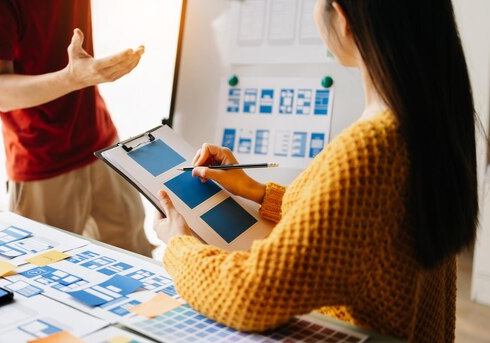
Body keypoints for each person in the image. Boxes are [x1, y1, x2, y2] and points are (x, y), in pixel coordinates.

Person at [153, 0, 478, 341]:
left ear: (342, 17)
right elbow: (356, 224)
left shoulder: (371, 147)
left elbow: (251, 293)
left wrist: (179, 245)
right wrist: (257, 191)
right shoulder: (427, 122)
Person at [0, 0, 153, 256]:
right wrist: (71, 78)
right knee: (44, 276)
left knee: (137, 263)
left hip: (102, 144)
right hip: (42, 160)